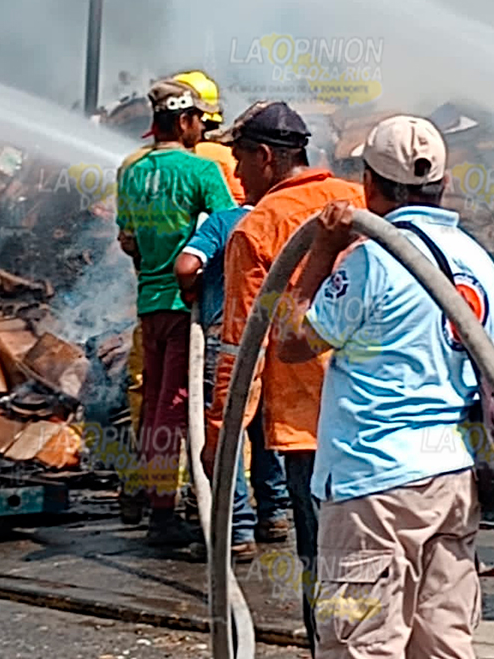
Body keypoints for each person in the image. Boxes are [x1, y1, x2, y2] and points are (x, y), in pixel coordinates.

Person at [275, 115, 494, 658]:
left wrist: (322, 252)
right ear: (442, 182)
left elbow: (292, 341)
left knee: (363, 645)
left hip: (375, 484)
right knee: (444, 643)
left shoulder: (372, 260)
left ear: (369, 183)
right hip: (454, 477)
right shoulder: (480, 263)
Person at [205, 101, 365, 651]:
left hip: (310, 426)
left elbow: (241, 345)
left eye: (240, 159)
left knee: (322, 562)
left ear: (267, 158)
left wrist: (220, 434)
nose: (236, 173)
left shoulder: (258, 227)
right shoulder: (358, 201)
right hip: (381, 416)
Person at [116, 76, 236, 546]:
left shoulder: (132, 173)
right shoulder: (201, 171)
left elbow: (128, 240)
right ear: (185, 121)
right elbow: (229, 227)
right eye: (198, 122)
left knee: (153, 409)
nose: (201, 130)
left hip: (149, 305)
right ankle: (169, 513)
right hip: (188, 307)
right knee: (177, 408)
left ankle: (156, 500)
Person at [175, 196, 293, 562]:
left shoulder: (222, 222)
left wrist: (190, 289)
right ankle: (273, 513)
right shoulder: (284, 220)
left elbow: (186, 265)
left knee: (227, 432)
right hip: (276, 339)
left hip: (226, 337)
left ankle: (236, 530)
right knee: (264, 426)